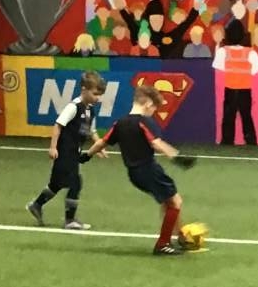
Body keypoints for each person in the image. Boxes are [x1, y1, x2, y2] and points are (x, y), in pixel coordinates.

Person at [86, 82, 200, 255]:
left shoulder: (120, 123)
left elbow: (102, 142)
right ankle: (163, 244)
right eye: (154, 108)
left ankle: (181, 237)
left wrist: (86, 155)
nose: (153, 112)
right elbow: (156, 143)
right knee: (175, 202)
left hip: (134, 174)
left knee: (168, 201)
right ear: (148, 103)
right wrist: (177, 157)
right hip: (148, 169)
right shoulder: (144, 122)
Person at [27, 70, 106, 230]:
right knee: (75, 182)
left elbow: (91, 130)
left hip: (74, 152)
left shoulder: (91, 110)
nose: (97, 98)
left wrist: (99, 146)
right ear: (84, 89)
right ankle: (70, 220)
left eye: (100, 95)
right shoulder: (74, 107)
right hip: (65, 151)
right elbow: (58, 125)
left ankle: (36, 205)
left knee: (56, 184)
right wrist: (53, 147)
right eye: (95, 94)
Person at [214, 23, 258, 146]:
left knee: (228, 116)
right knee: (246, 115)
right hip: (245, 89)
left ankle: (227, 140)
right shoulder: (250, 52)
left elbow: (217, 65)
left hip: (230, 88)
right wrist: (247, 73)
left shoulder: (223, 51)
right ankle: (250, 140)